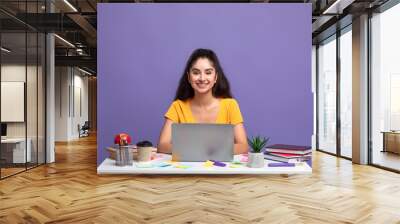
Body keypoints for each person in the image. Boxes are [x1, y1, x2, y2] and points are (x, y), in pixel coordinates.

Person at [157, 48, 248, 154]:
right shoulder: (178, 106)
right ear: (189, 77)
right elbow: (162, 146)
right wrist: (196, 150)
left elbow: (243, 146)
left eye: (208, 72)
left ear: (215, 77)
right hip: (188, 170)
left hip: (219, 170)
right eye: (196, 73)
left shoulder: (230, 105)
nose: (202, 78)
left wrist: (211, 151)